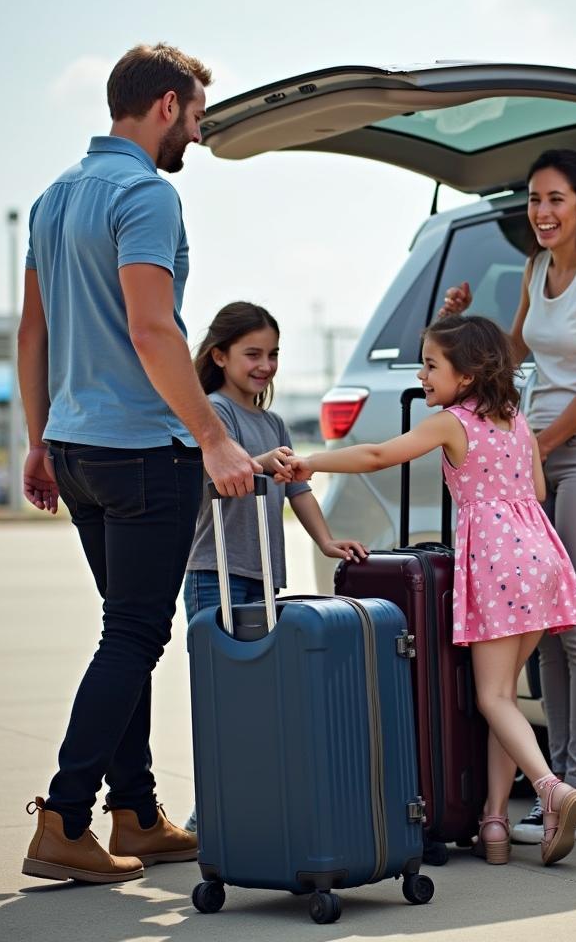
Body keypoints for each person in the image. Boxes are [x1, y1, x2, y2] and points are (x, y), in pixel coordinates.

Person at [18, 43, 260, 885]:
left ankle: (135, 810)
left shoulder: (53, 199)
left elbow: (34, 334)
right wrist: (215, 435)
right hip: (142, 452)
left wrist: (40, 439)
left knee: (124, 632)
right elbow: (154, 329)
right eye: (195, 115)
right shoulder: (145, 194)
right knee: (133, 635)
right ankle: (65, 817)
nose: (197, 132)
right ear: (164, 106)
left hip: (80, 451)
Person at [280, 314, 576, 866]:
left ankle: (551, 790)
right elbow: (538, 488)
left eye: (431, 365)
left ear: (466, 376)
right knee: (507, 700)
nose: (422, 375)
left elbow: (377, 456)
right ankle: (493, 822)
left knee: (490, 697)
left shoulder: (453, 423)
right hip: (541, 556)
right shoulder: (516, 420)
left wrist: (309, 461)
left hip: (498, 562)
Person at [438, 148, 576, 844]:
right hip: (537, 458)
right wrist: (458, 323)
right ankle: (553, 790)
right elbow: (511, 358)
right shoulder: (534, 271)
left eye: (556, 199)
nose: (542, 212)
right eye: (534, 199)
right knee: (548, 619)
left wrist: (540, 446)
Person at [182, 301, 368, 831]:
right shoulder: (215, 413)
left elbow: (300, 491)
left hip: (263, 575)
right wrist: (263, 463)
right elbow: (222, 474)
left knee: (260, 697)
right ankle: (210, 810)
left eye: (273, 354)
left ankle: (250, 800)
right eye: (252, 354)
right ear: (219, 356)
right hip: (215, 572)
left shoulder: (273, 420)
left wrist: (327, 541)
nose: (264, 365)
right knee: (223, 695)